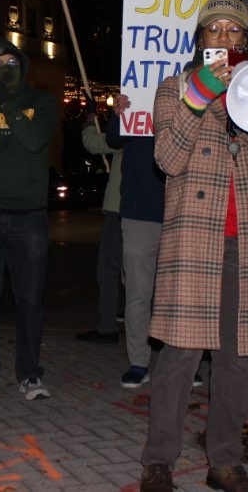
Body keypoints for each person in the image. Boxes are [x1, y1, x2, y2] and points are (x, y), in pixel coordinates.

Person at [138, 0, 248, 492]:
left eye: (234, 31)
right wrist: (200, 96)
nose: (225, 39)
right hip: (195, 240)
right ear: (200, 40)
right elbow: (167, 159)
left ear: (245, 41)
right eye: (215, 30)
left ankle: (224, 462)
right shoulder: (173, 89)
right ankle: (158, 460)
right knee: (180, 356)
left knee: (236, 358)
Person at [0, 36, 58, 401]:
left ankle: (30, 375)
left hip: (29, 218)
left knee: (30, 302)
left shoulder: (42, 101)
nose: (2, 68)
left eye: (9, 62)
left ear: (21, 65)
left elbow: (35, 141)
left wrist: (8, 103)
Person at [104, 95, 170, 389]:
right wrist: (118, 112)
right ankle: (138, 361)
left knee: (180, 295)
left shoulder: (193, 95)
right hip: (139, 212)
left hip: (182, 211)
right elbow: (114, 138)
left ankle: (180, 360)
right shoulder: (135, 100)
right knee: (138, 292)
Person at [75, 93, 124, 344]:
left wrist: (90, 118)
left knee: (108, 270)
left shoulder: (128, 132)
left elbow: (93, 143)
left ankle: (108, 326)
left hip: (119, 210)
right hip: (153, 212)